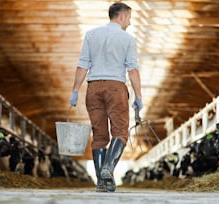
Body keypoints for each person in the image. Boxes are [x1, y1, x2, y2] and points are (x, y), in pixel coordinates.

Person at [69, 2, 142, 192]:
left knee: (99, 136)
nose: (130, 23)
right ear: (122, 17)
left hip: (93, 89)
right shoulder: (127, 39)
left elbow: (82, 65)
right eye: (129, 18)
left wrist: (75, 90)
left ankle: (102, 183)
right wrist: (138, 96)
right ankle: (108, 169)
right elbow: (132, 70)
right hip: (115, 88)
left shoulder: (91, 35)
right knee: (120, 132)